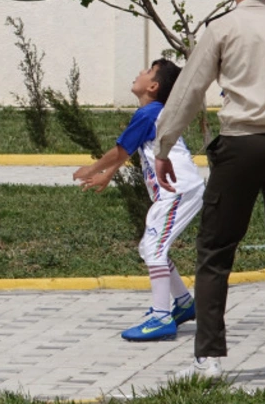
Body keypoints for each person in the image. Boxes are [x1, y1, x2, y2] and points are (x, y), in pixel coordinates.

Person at [154, 0, 265, 378]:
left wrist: (163, 146)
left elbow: (189, 90)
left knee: (216, 250)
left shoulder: (222, 29)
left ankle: (210, 357)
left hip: (239, 147)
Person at [73, 59, 201, 341]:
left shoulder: (149, 113)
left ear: (153, 86)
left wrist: (93, 169)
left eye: (148, 71)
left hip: (178, 190)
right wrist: (108, 174)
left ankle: (161, 318)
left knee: (154, 248)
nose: (140, 73)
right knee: (151, 247)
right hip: (179, 190)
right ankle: (183, 303)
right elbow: (129, 150)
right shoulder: (152, 113)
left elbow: (120, 151)